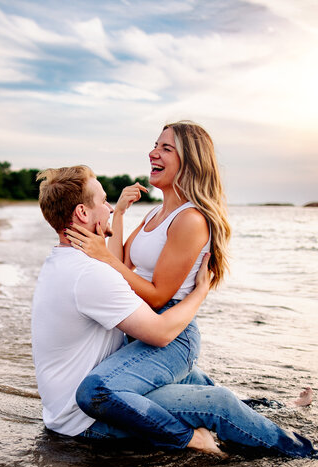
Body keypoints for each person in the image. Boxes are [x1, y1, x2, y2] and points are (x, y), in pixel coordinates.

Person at [31, 164, 315, 458]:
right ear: (82, 214)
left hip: (65, 409)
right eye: (103, 200)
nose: (109, 206)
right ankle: (304, 453)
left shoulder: (63, 262)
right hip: (89, 420)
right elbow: (161, 333)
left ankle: (275, 412)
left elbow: (117, 267)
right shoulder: (90, 274)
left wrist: (118, 216)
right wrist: (200, 291)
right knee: (217, 403)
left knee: (198, 382)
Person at [63, 121, 230, 439]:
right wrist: (120, 214)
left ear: (190, 162)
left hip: (168, 327)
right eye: (156, 145)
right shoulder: (155, 213)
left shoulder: (191, 220)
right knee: (199, 403)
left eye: (166, 148)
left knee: (111, 396)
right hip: (141, 326)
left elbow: (156, 295)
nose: (153, 152)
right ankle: (282, 407)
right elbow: (123, 266)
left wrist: (104, 255)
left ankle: (197, 440)